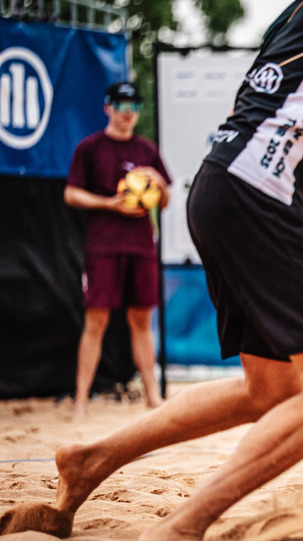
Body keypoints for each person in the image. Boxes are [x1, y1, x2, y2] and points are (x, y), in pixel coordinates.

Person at [3, 0, 303, 541]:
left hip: (224, 191)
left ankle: (91, 459)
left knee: (270, 388)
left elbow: (267, 110)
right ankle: (183, 525)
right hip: (256, 201)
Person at [65, 81, 171, 418]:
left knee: (141, 320)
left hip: (141, 245)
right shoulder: (90, 147)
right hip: (104, 245)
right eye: (123, 105)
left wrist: (157, 181)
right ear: (108, 107)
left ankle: (152, 396)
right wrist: (111, 204)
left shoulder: (147, 150)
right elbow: (71, 194)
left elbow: (165, 200)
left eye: (135, 106)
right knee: (96, 320)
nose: (129, 113)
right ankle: (81, 399)